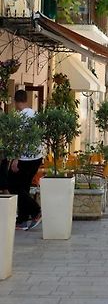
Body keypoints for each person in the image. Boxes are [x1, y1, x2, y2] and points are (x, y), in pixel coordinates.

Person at [8, 90, 43, 231]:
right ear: (26, 100)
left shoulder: (20, 117)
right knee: (24, 187)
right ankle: (22, 219)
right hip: (37, 157)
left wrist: (15, 159)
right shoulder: (35, 114)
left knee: (13, 185)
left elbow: (20, 140)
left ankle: (36, 211)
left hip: (25, 158)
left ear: (16, 101)